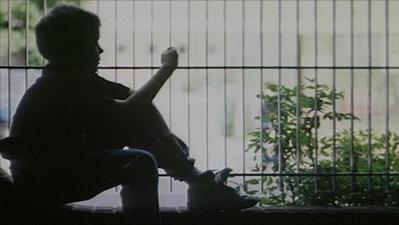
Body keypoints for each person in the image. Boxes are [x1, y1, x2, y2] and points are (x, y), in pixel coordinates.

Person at [6, 4, 257, 223]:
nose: (100, 50)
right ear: (76, 49)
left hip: (62, 167)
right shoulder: (58, 87)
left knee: (137, 131)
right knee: (139, 161)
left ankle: (199, 184)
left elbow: (137, 105)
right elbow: (131, 109)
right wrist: (167, 69)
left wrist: (165, 140)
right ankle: (200, 187)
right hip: (43, 183)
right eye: (94, 43)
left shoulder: (74, 77)